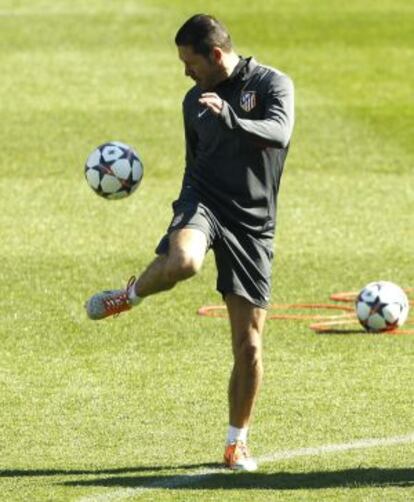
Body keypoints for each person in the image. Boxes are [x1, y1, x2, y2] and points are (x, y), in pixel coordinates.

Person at [85, 13, 294, 472]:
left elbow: (278, 134)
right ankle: (130, 295)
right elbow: (193, 159)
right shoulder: (194, 100)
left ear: (215, 55)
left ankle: (236, 442)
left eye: (190, 62)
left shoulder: (273, 84)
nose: (185, 71)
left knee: (250, 346)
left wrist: (234, 118)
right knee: (183, 261)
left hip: (254, 222)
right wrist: (184, 209)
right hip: (204, 201)